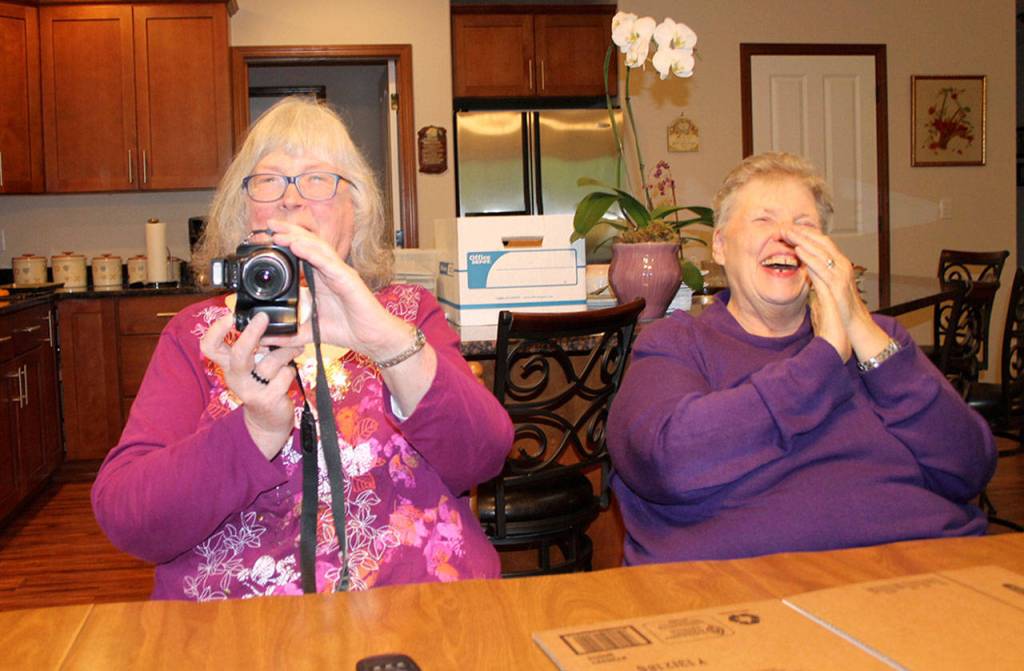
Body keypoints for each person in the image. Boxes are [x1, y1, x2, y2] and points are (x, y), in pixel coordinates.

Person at [92, 97, 514, 600]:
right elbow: (129, 519)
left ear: (354, 213)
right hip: (240, 629)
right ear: (242, 212)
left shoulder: (404, 314)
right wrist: (254, 431)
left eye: (318, 178)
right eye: (269, 180)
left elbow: (483, 457)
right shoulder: (196, 335)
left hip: (419, 609)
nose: (291, 200)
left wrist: (383, 340)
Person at [607, 152, 996, 565]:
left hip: (926, 570)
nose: (787, 237)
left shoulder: (881, 342)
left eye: (804, 225)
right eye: (763, 220)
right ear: (720, 245)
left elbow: (970, 466)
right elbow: (666, 462)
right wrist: (824, 360)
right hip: (754, 591)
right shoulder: (678, 344)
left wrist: (858, 325)